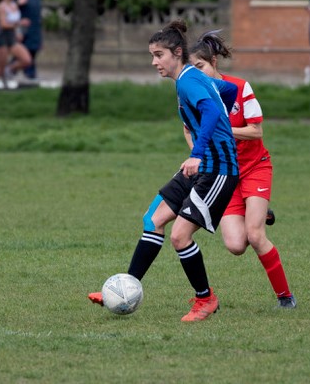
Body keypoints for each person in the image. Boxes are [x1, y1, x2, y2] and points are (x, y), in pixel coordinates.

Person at [88, 19, 239, 322]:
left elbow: (211, 108)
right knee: (154, 219)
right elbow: (228, 90)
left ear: (177, 52)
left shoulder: (187, 80)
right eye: (152, 55)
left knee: (180, 237)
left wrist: (200, 150)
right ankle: (124, 287)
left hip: (217, 169)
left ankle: (205, 300)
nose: (154, 62)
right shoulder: (194, 77)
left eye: (159, 55)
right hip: (202, 166)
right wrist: (209, 130)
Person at [189, 31, 296, 308]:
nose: (198, 74)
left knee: (256, 235)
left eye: (200, 67)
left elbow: (256, 131)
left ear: (213, 61)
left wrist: (221, 130)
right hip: (225, 174)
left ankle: (285, 297)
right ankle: (257, 212)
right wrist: (197, 155)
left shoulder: (240, 88)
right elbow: (189, 129)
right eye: (192, 70)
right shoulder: (194, 94)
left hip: (254, 168)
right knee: (236, 245)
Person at [0, 0, 31, 88]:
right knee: (0, 69)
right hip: (2, 39)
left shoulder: (14, 5)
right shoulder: (1, 7)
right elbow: (3, 24)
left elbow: (15, 23)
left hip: (12, 39)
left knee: (26, 60)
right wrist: (20, 23)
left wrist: (18, 32)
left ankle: (10, 70)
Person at [15, 0, 42, 80]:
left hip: (35, 27)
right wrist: (18, 3)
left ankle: (14, 69)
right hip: (24, 28)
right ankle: (29, 72)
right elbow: (11, 8)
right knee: (25, 49)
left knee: (33, 49)